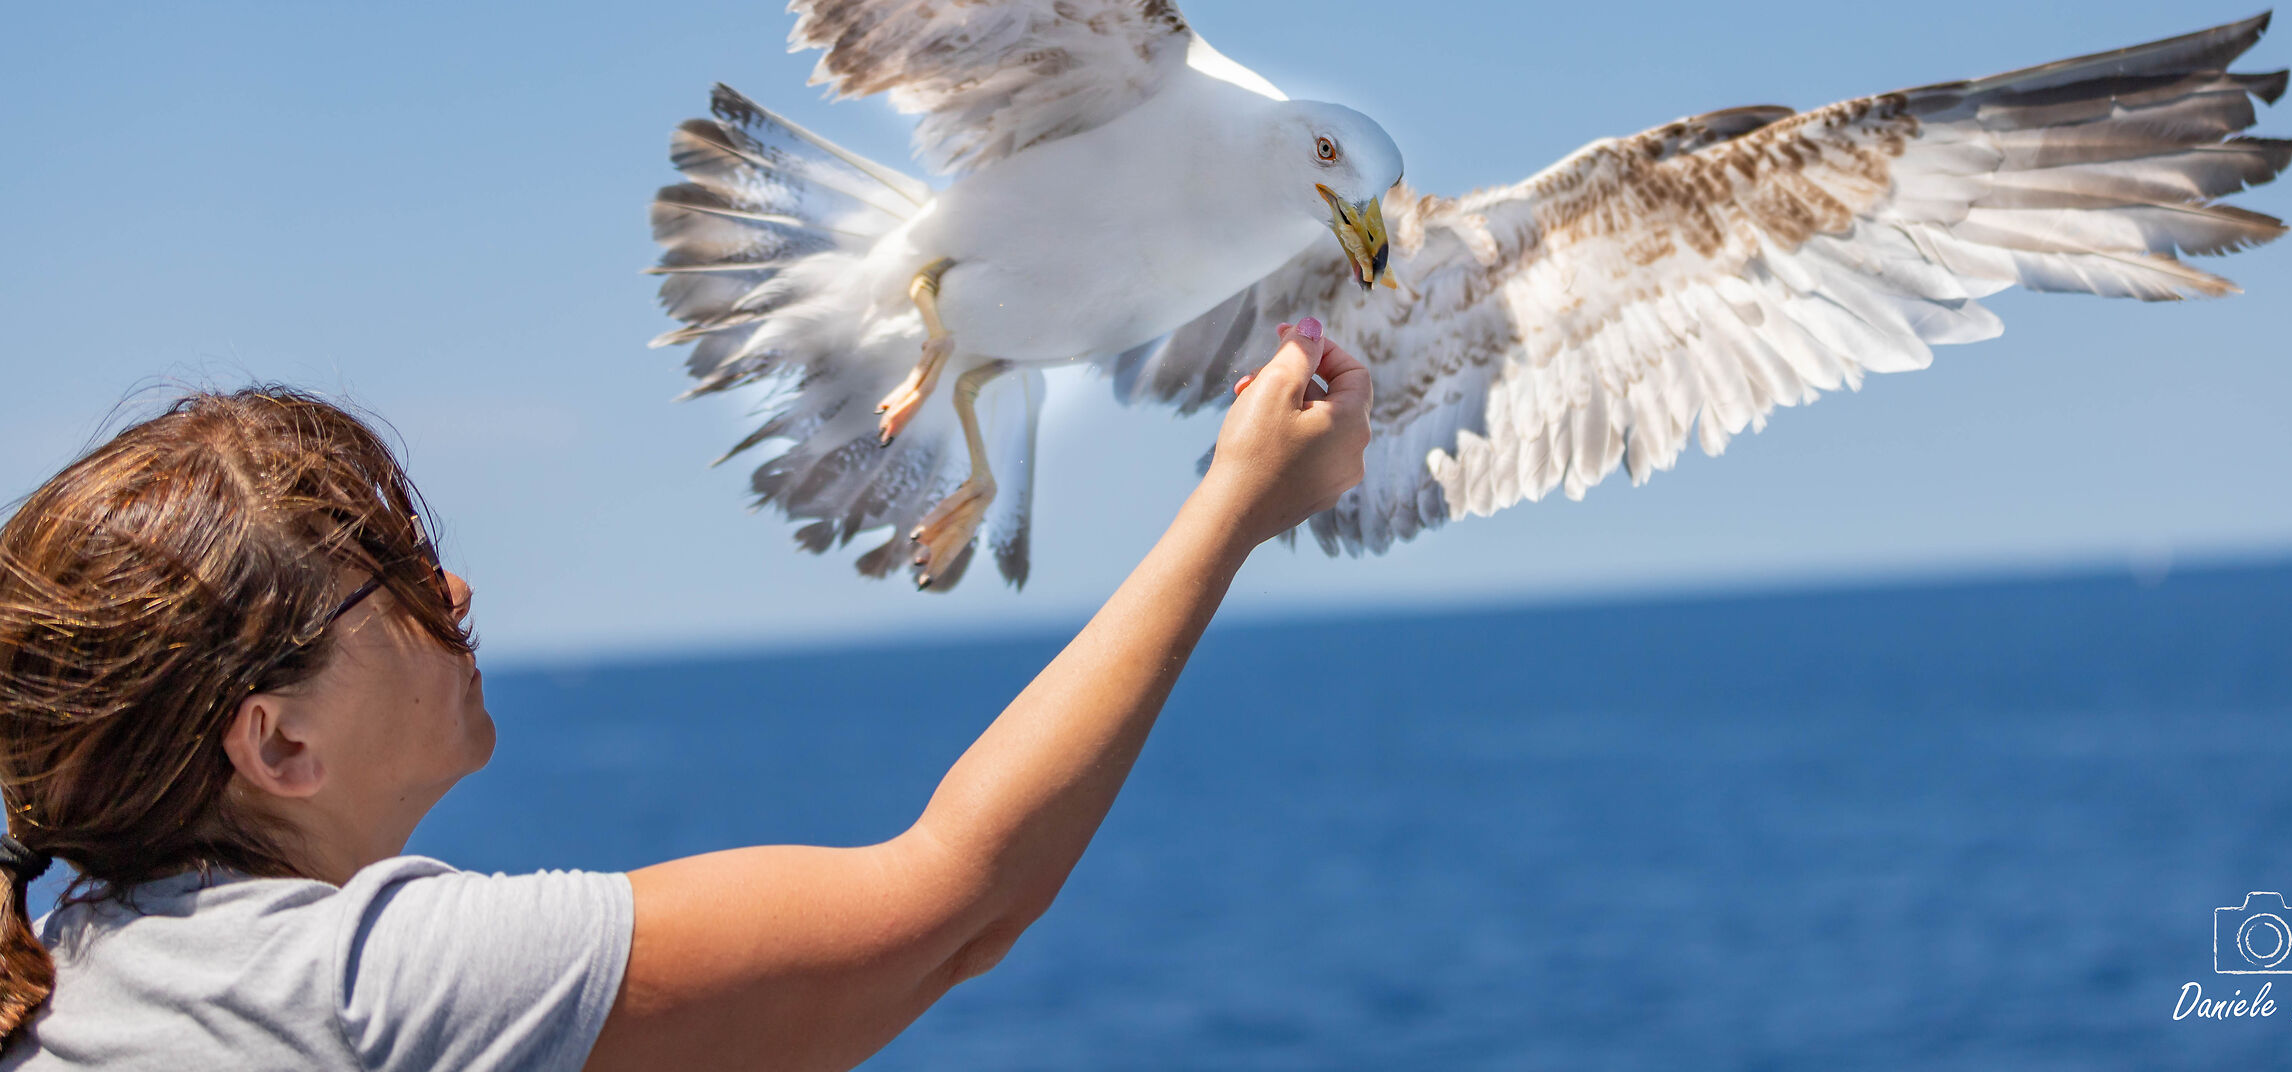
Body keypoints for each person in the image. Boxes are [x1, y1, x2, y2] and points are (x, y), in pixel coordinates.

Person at [0, 320, 1368, 1071]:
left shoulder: (76, 978)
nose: (456, 590)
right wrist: (1236, 504)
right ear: (277, 740)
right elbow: (956, 908)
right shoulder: (363, 989)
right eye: (398, 581)